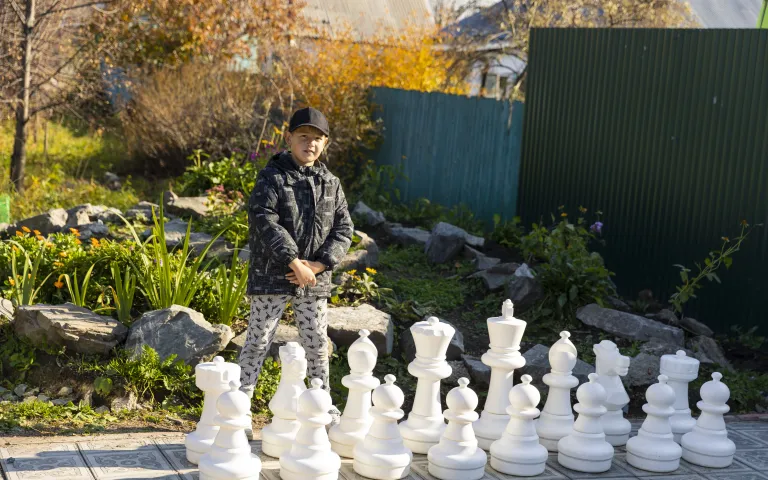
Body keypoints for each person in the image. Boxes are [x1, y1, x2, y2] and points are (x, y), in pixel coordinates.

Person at [239, 107, 353, 427]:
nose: (310, 144)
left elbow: (344, 229)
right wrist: (292, 261)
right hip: (272, 276)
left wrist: (318, 265)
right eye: (303, 136)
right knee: (258, 340)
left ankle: (322, 404)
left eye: (317, 139)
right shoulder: (272, 177)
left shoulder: (331, 183)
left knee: (316, 343)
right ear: (289, 138)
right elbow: (264, 220)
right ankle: (239, 404)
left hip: (314, 280)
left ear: (325, 143)